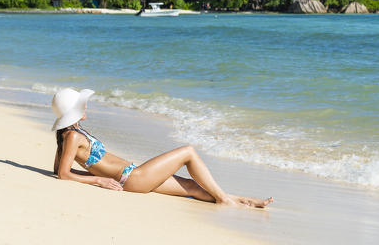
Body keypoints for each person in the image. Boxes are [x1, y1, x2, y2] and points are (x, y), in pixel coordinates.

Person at [52, 88, 272, 208]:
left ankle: (242, 200)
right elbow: (62, 174)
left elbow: (59, 169)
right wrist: (99, 179)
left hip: (132, 177)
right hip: (133, 178)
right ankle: (225, 200)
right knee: (188, 152)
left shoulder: (69, 134)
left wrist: (95, 174)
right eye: (82, 104)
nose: (86, 106)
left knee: (192, 186)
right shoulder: (71, 136)